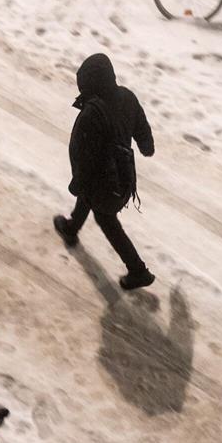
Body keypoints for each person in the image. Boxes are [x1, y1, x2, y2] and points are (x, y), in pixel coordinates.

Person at [54, 53, 156, 289]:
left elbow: (80, 155)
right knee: (89, 197)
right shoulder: (127, 98)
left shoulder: (91, 115)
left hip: (104, 184)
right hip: (124, 178)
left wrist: (77, 183)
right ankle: (71, 228)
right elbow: (143, 133)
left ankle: (138, 271)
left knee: (104, 216)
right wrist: (146, 147)